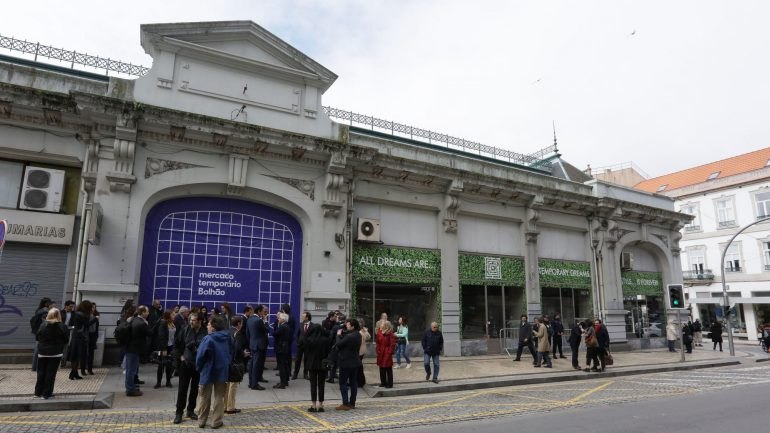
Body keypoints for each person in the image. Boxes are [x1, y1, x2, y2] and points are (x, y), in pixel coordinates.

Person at [195, 315, 232, 429]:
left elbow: (200, 356)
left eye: (209, 324)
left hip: (208, 370)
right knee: (219, 397)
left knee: (204, 397)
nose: (207, 325)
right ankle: (216, 421)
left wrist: (199, 367)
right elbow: (232, 352)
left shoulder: (208, 338)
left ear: (214, 327)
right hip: (222, 370)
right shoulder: (228, 337)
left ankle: (202, 421)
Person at [173, 312, 207, 424]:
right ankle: (179, 412)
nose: (191, 322)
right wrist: (180, 356)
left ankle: (190, 410)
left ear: (199, 321)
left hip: (198, 365)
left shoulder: (204, 331)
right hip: (185, 363)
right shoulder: (185, 329)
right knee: (182, 389)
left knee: (194, 389)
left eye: (193, 320)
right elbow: (177, 344)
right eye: (190, 320)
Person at [34, 308, 69, 399]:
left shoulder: (43, 325)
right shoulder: (62, 326)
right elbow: (66, 339)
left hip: (42, 352)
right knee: (51, 373)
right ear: (58, 316)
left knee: (41, 372)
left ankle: (38, 392)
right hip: (55, 352)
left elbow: (37, 337)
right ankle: (47, 393)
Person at [335, 318, 362, 410]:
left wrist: (338, 335)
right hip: (355, 362)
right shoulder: (358, 335)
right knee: (353, 383)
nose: (346, 325)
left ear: (353, 326)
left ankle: (345, 404)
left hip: (345, 363)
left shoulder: (349, 337)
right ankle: (352, 403)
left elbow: (339, 344)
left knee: (343, 383)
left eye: (348, 324)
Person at [303, 323, 330, 412]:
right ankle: (321, 405)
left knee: (313, 385)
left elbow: (306, 351)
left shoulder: (309, 340)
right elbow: (328, 352)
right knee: (321, 385)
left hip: (312, 364)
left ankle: (313, 405)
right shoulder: (326, 340)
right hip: (322, 364)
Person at [125, 305, 150, 396]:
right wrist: (147, 324)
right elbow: (148, 333)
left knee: (130, 370)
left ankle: (131, 387)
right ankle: (130, 390)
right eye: (147, 311)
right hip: (134, 349)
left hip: (130, 348)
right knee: (131, 370)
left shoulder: (134, 319)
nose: (148, 313)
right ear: (143, 313)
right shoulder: (141, 323)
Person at [224, 316, 247, 414]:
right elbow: (237, 348)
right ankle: (230, 407)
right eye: (241, 323)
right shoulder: (237, 334)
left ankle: (225, 406)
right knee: (233, 385)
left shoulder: (227, 331)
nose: (242, 325)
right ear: (238, 324)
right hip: (235, 362)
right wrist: (243, 354)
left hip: (226, 360)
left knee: (227, 384)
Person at [245, 304, 268, 390]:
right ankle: (254, 384)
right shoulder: (259, 320)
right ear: (259, 311)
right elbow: (266, 329)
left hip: (252, 344)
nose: (263, 313)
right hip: (259, 345)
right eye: (263, 311)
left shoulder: (249, 319)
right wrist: (265, 321)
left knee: (251, 365)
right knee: (255, 365)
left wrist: (251, 342)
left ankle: (251, 382)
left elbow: (247, 334)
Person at [68, 300, 92, 379]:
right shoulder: (79, 315)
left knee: (77, 356)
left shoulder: (77, 314)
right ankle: (73, 373)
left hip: (77, 336)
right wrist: (95, 319)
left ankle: (74, 373)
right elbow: (87, 324)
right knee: (76, 355)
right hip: (79, 337)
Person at [153, 310, 176, 388]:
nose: (174, 316)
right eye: (173, 315)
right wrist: (164, 349)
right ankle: (158, 382)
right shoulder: (163, 323)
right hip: (163, 348)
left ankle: (168, 382)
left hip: (170, 346)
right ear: (168, 316)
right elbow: (161, 336)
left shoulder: (172, 323)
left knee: (169, 364)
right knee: (161, 364)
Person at [30, 297, 52, 372]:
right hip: (42, 332)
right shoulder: (45, 311)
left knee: (37, 350)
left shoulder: (38, 310)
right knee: (39, 350)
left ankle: (34, 367)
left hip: (37, 332)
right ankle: (38, 367)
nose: (50, 304)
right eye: (49, 303)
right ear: (46, 303)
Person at [273, 312, 291, 389]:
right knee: (284, 364)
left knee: (281, 366)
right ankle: (285, 381)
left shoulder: (282, 327)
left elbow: (275, 334)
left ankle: (282, 383)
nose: (278, 319)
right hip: (284, 348)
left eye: (279, 318)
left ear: (283, 319)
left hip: (280, 348)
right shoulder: (287, 326)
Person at [376, 320, 396, 387]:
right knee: (381, 368)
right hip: (381, 352)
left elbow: (392, 344)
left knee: (388, 368)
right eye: (381, 324)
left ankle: (390, 384)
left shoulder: (390, 333)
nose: (381, 325)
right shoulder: (379, 332)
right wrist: (378, 350)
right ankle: (383, 382)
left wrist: (389, 352)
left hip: (387, 352)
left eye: (382, 324)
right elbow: (378, 342)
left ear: (386, 326)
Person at [293, 311, 312, 380]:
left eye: (303, 316)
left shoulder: (312, 325)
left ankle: (306, 374)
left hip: (308, 346)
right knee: (297, 360)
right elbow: (297, 334)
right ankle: (295, 374)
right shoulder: (300, 324)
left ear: (307, 317)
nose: (302, 317)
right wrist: (297, 342)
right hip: (300, 345)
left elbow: (313, 336)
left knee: (307, 360)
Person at [85, 303, 100, 375]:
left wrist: (96, 335)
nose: (93, 309)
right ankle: (83, 367)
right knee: (85, 352)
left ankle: (90, 368)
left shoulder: (96, 315)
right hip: (86, 335)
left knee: (91, 352)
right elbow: (86, 325)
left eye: (94, 307)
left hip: (93, 335)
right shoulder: (85, 315)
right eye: (92, 307)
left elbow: (97, 327)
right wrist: (95, 319)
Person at [357, 319, 371, 387]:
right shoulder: (361, 331)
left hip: (359, 351)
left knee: (359, 366)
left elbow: (368, 337)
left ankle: (361, 381)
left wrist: (365, 331)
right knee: (359, 366)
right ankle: (360, 381)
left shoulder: (362, 331)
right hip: (360, 350)